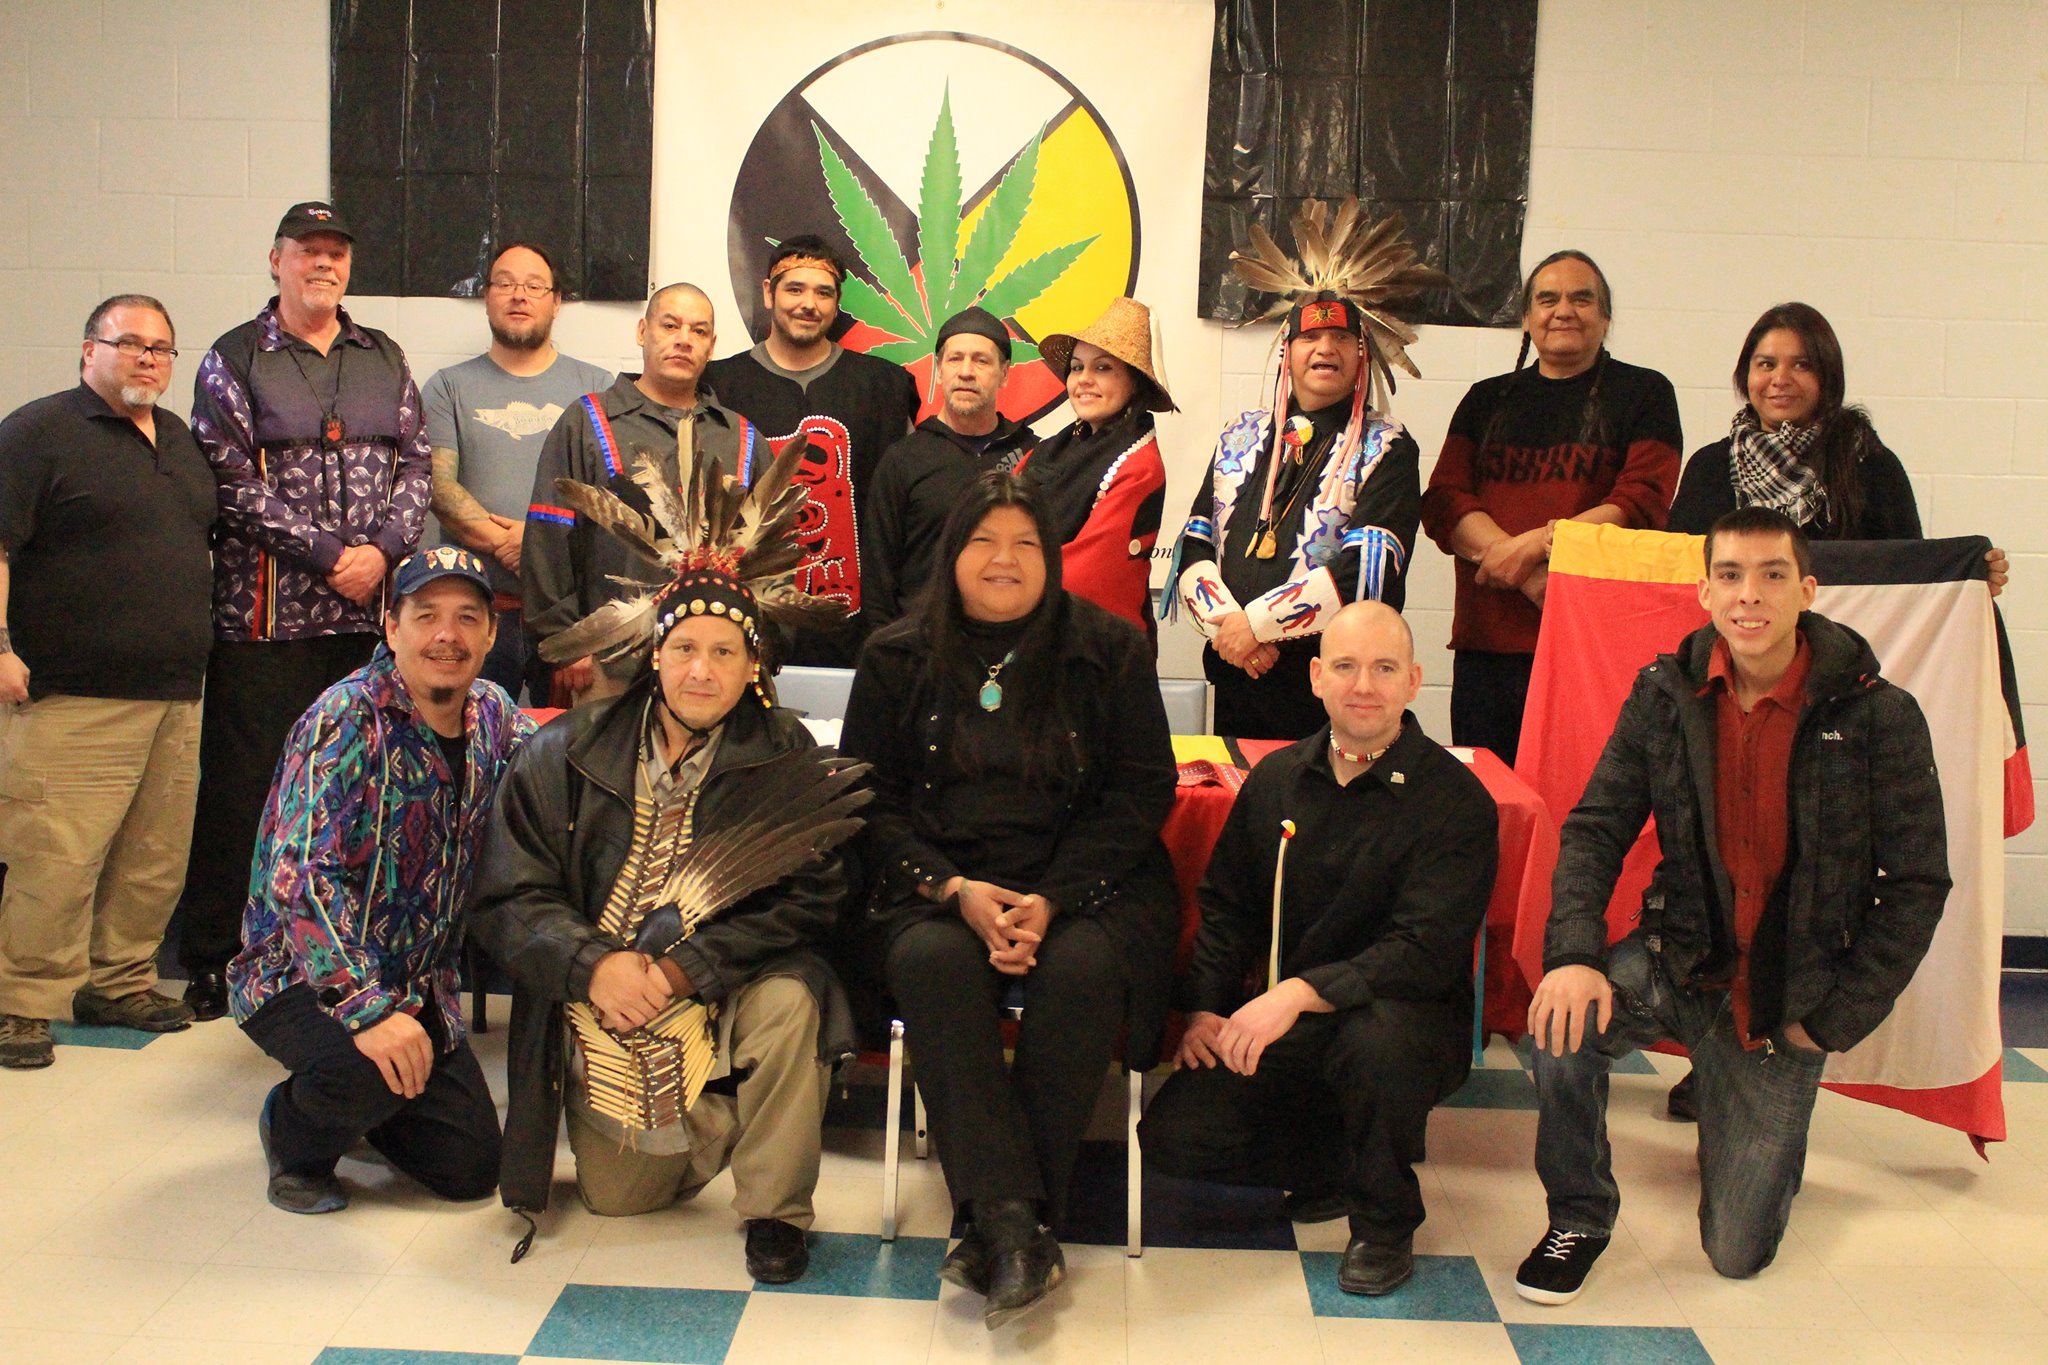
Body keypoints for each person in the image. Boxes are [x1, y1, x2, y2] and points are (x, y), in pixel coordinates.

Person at [1514, 508, 1949, 1303]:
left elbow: (1917, 883)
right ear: (1706, 591)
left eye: (1773, 574)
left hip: (1786, 999)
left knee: (1735, 1252)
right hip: (1678, 959)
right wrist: (1574, 955)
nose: (1750, 595)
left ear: (1807, 589)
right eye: (1731, 575)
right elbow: (1597, 826)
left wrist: (1829, 1022)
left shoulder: (1880, 715)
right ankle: (1579, 1212)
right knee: (1559, 1024)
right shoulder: (1664, 693)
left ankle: (1752, 1119)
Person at [471, 436, 865, 1286]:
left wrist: (689, 967)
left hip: (729, 983)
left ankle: (775, 1210)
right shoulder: (563, 752)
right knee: (620, 1195)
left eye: (726, 651)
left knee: (794, 1000)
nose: (702, 668)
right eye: (686, 647)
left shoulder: (783, 753)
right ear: (654, 652)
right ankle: (728, 1104)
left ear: (754, 665)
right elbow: (507, 898)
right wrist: (591, 964)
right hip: (603, 1000)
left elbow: (810, 898)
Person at [839, 473, 1178, 1328]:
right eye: (984, 541)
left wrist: (1053, 898)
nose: (1004, 560)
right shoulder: (894, 654)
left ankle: (991, 1219)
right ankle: (1019, 1225)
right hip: (937, 884)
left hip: (1082, 884)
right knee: (930, 961)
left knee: (1086, 969)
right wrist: (952, 889)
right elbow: (866, 802)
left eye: (1026, 543)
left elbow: (1143, 792)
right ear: (953, 554)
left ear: (1053, 559)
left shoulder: (1110, 647)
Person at [1662, 301, 2005, 1123]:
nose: (1781, 378)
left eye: (1800, 364)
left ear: (1828, 376)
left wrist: (1970, 578)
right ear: (1744, 373)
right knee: (1723, 865)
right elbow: (1669, 568)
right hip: (1733, 699)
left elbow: (1915, 566)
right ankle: (1714, 1052)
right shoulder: (1712, 466)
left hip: (1827, 706)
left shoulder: (1868, 463)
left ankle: (1792, 1040)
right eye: (1765, 362)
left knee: (1801, 868)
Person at [1140, 601, 1497, 1297]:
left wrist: (1299, 992)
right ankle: (1334, 1157)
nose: (1364, 684)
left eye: (1384, 667)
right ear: (1316, 678)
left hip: (1402, 1024)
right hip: (1294, 1026)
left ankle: (1384, 1220)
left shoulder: (1456, 802)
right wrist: (1207, 1009)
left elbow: (1423, 950)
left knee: (1376, 1046)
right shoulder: (1275, 780)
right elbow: (1228, 906)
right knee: (1175, 1135)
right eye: (1346, 666)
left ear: (1415, 679)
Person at [179, 201, 434, 1022]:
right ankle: (221, 958)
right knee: (246, 791)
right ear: (275, 260)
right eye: (307, 251)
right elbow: (230, 482)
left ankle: (340, 956)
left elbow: (419, 471)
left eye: (335, 253)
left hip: (367, 624)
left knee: (357, 796)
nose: (323, 264)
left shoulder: (384, 357)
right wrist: (334, 559)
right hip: (264, 625)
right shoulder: (233, 358)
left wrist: (384, 553)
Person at [228, 547, 534, 1215]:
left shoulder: (496, 715)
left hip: (416, 983)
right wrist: (368, 1011)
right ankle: (293, 1131)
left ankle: (371, 1093)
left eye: (466, 618)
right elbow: (302, 879)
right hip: (300, 975)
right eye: (426, 615)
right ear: (391, 627)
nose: (446, 635)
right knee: (363, 1069)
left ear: (489, 634)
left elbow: (547, 800)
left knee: (471, 1170)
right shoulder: (343, 718)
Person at [0, 296, 215, 1069]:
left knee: (152, 857)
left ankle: (118, 981)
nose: (148, 359)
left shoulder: (180, 441)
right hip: (71, 695)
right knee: (56, 855)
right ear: (88, 349)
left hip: (175, 694)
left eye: (162, 348)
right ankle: (22, 1001)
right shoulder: (37, 433)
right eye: (130, 344)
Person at [1168, 199, 1434, 739]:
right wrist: (1231, 631)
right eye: (1309, 337)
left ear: (1363, 355)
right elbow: (1195, 541)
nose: (1325, 348)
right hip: (1239, 676)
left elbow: (1368, 571)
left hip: (1331, 696)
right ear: (1286, 352)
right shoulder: (1240, 438)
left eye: (1341, 338)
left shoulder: (1388, 448)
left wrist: (1258, 625)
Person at [1420, 249, 1682, 769]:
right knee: (1492, 809)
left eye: (1582, 298)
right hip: (1488, 654)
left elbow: (1641, 501)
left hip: (1590, 647)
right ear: (1526, 317)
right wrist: (1526, 574)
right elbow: (1445, 501)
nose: (1564, 310)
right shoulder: (1485, 399)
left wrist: (1533, 546)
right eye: (1548, 298)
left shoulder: (1645, 393)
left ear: (1605, 318)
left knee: (1583, 811)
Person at [522, 282, 760, 705]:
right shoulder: (588, 421)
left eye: (699, 331)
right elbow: (549, 536)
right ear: (642, 331)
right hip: (609, 664)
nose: (683, 339)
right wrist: (567, 640)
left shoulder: (741, 437)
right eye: (670, 325)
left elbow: (766, 556)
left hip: (713, 669)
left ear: (711, 346)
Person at [704, 234, 920, 663]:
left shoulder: (883, 387)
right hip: (745, 617)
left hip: (857, 621)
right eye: (795, 289)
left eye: (824, 293)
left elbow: (908, 504)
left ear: (837, 303)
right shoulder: (717, 387)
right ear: (768, 292)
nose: (809, 304)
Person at [425, 241, 611, 701]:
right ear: (486, 296)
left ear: (557, 301)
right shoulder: (448, 387)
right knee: (469, 747)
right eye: (504, 284)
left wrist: (536, 545)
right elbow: (438, 487)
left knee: (572, 751)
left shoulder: (598, 389)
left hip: (573, 618)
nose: (518, 295)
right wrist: (519, 545)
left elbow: (613, 504)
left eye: (534, 285)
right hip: (479, 611)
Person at [862, 306, 1037, 627]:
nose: (966, 371)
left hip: (1008, 646)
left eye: (981, 360)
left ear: (1005, 373)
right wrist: (887, 656)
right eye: (955, 359)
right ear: (939, 369)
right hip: (920, 650)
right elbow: (877, 580)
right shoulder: (903, 460)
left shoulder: (1032, 455)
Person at [1019, 296, 1174, 637]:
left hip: (1097, 647)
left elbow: (1087, 574)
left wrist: (1002, 584)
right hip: (1030, 628)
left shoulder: (1140, 466)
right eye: (1076, 367)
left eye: (1102, 368)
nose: (1084, 379)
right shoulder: (1043, 452)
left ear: (1134, 381)